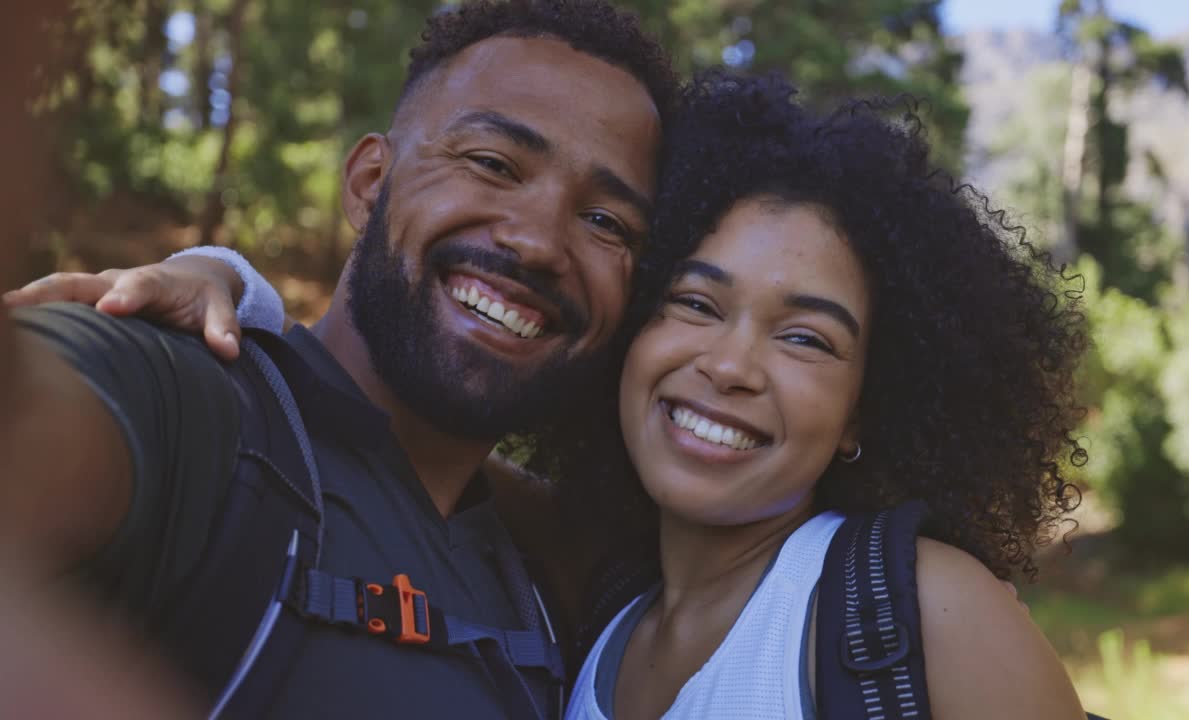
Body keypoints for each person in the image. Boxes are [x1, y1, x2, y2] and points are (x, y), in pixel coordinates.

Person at [14, 73, 1094, 718]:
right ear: (628, 338)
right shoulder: (583, 599)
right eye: (694, 303)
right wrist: (231, 290)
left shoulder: (919, 613)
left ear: (864, 408)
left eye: (806, 336)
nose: (730, 364)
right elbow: (397, 441)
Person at [0, 1, 679, 718]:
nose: (540, 243)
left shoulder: (561, 578)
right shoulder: (188, 404)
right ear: (368, 182)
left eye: (606, 221)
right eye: (493, 163)